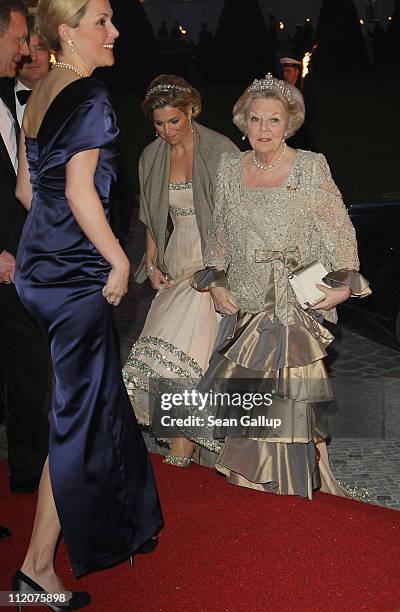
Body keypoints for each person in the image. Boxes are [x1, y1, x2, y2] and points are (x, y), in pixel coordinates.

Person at [12, 0, 162, 605]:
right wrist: (118, 259)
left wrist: (57, 239)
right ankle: (35, 569)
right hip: (75, 280)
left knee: (90, 398)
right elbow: (79, 191)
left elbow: (30, 191)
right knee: (75, 416)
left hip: (38, 270)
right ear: (67, 33)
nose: (114, 30)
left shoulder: (43, 90)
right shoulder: (91, 96)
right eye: (100, 20)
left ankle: (127, 519)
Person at [191, 73, 370, 498]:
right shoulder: (230, 168)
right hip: (250, 301)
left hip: (295, 303)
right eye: (255, 120)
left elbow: (339, 232)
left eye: (274, 120)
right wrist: (216, 283)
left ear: (289, 124)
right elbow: (219, 238)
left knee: (295, 401)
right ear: (243, 123)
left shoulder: (311, 166)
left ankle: (298, 488)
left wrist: (344, 283)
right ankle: (255, 489)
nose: (264, 129)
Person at [122, 74, 237, 466]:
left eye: (173, 121)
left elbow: (237, 217)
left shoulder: (220, 150)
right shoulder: (151, 158)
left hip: (212, 262)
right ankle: (183, 440)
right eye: (158, 123)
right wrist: (152, 264)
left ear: (192, 110)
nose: (166, 131)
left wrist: (220, 270)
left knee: (193, 352)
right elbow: (154, 220)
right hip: (176, 259)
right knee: (162, 348)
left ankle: (182, 447)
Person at [0, 0, 50, 495]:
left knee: (31, 374)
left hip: (23, 265)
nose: (24, 51)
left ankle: (31, 481)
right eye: (17, 40)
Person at [15, 15, 50, 126]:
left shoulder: (66, 95)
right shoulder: (4, 99)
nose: (33, 58)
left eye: (40, 49)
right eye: (27, 50)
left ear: (50, 54)